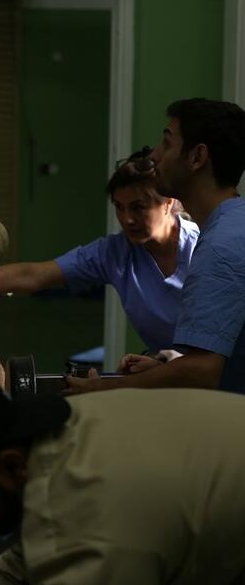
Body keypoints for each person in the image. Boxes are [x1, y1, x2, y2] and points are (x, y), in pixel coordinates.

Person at [0, 371, 245, 584]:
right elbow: (34, 542)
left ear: (10, 467)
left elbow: (67, 533)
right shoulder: (61, 430)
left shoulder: (92, 518)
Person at [66, 98, 245, 394]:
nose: (155, 156)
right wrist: (166, 370)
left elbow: (202, 372)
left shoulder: (219, 247)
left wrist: (103, 390)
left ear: (197, 157)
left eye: (166, 143)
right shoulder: (233, 224)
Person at [0, 148, 197, 366]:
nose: (127, 219)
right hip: (168, 374)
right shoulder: (115, 252)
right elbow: (33, 275)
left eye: (138, 207)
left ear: (167, 203)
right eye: (119, 207)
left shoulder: (203, 246)